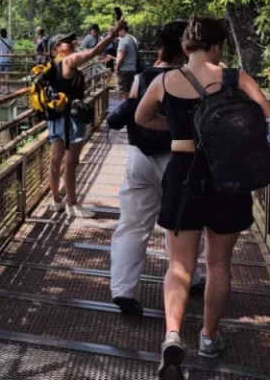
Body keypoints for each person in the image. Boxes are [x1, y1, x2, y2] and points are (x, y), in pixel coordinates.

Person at [136, 17, 270, 378]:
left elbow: (141, 119)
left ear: (186, 46)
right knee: (218, 262)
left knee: (178, 265)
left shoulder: (165, 81)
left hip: (183, 173)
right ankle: (208, 336)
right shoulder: (236, 78)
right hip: (228, 175)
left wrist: (178, 126)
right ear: (217, 46)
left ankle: (172, 336)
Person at [108, 21, 204, 317]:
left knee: (132, 225)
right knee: (181, 222)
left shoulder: (142, 76)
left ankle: (122, 289)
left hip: (139, 157)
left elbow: (135, 114)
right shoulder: (190, 79)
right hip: (178, 158)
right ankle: (192, 276)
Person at [47, 18, 126, 218]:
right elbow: (92, 52)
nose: (72, 43)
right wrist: (113, 34)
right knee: (71, 162)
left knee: (56, 160)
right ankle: (72, 204)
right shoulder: (68, 60)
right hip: (70, 119)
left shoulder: (53, 64)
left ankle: (56, 200)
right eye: (67, 41)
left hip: (56, 117)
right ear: (57, 48)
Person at [115, 23, 139, 100]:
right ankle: (129, 110)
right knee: (130, 91)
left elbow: (121, 56)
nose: (118, 33)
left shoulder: (123, 40)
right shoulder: (133, 39)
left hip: (124, 70)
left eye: (118, 31)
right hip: (133, 69)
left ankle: (123, 110)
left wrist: (117, 68)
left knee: (122, 92)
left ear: (122, 30)